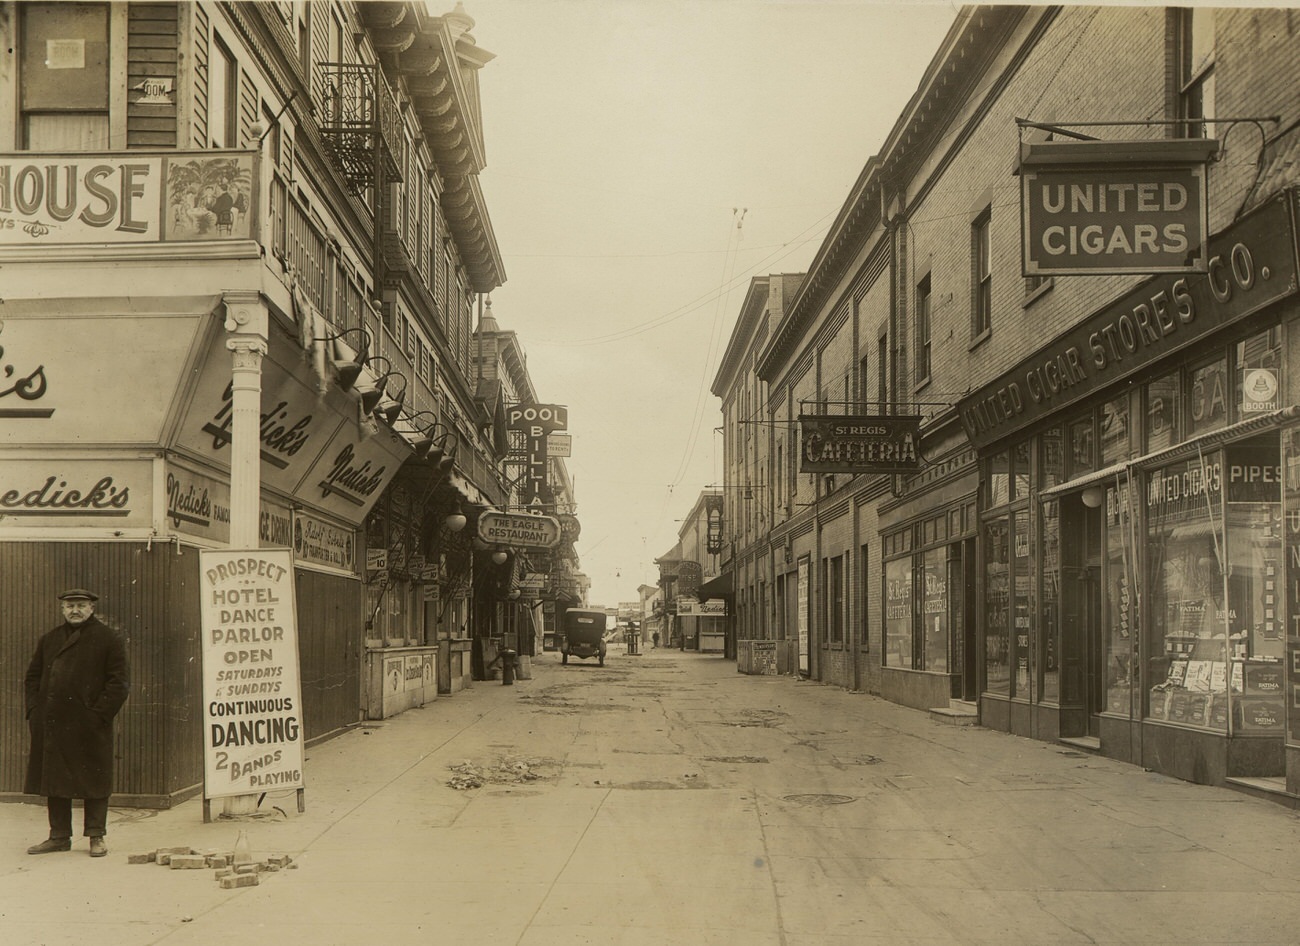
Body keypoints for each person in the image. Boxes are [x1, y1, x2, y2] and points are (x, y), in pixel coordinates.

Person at [24, 589, 130, 858]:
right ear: (62, 609)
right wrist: (35, 711)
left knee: (94, 779)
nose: (75, 610)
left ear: (92, 609)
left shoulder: (108, 639)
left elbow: (118, 683)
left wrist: (98, 716)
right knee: (55, 781)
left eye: (81, 606)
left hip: (89, 725)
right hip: (53, 724)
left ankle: (96, 836)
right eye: (70, 606)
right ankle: (59, 836)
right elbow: (32, 679)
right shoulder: (49, 640)